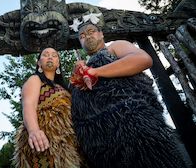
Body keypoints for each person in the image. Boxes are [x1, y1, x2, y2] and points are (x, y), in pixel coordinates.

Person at [69, 9, 190, 167]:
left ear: (101, 34)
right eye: (82, 36)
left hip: (134, 127)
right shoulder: (81, 66)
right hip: (100, 143)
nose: (87, 36)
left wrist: (96, 71)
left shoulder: (115, 47)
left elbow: (143, 59)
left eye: (91, 31)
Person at [13, 47, 81, 168]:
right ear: (39, 63)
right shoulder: (35, 79)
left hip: (67, 143)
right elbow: (29, 105)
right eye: (45, 54)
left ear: (58, 63)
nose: (50, 57)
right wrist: (34, 131)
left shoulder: (63, 88)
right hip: (43, 141)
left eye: (54, 55)